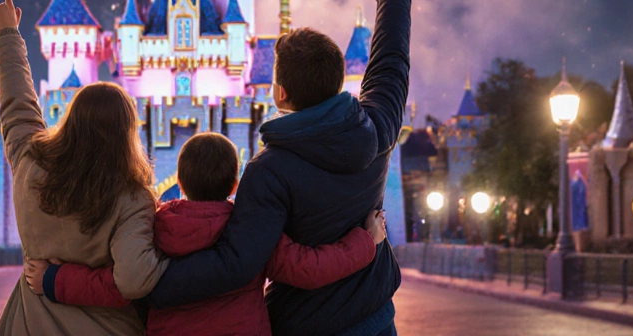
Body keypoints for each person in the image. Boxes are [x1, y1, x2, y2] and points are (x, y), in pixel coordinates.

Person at [145, 0, 413, 336]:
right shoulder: (377, 128)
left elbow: (236, 264)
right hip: (376, 319)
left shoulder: (268, 171)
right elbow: (391, 62)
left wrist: (140, 285)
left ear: (280, 94)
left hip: (304, 324)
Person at [24, 132, 387, 336]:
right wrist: (365, 242)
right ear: (234, 184)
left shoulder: (154, 230)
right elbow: (307, 268)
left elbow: (117, 285)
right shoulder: (250, 229)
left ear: (179, 182)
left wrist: (55, 279)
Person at [0, 0, 166, 336]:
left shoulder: (30, 163)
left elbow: (17, 106)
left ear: (70, 118)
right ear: (127, 134)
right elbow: (132, 281)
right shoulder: (132, 198)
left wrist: (7, 34)